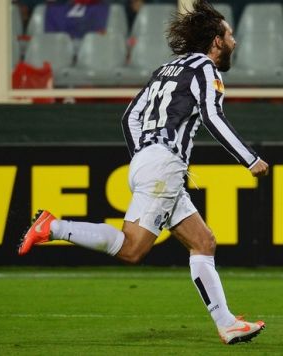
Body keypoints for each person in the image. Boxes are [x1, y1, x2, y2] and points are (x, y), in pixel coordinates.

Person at [18, 0, 268, 345]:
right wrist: (249, 158)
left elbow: (130, 117)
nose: (234, 42)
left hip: (150, 162)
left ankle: (227, 323)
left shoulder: (167, 70)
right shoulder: (206, 70)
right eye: (229, 35)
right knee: (133, 250)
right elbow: (212, 117)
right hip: (163, 165)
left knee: (203, 241)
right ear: (215, 41)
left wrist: (146, 156)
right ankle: (54, 226)